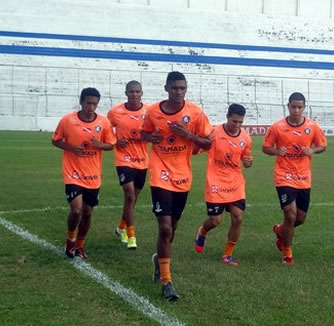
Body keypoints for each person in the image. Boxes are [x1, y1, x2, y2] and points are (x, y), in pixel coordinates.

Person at [140, 71, 212, 301]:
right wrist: (150, 139)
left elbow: (208, 142)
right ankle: (167, 282)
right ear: (166, 88)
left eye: (182, 88)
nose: (178, 92)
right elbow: (144, 133)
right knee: (165, 227)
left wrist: (188, 135)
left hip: (182, 177)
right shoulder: (152, 111)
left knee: (173, 226)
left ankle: (159, 260)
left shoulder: (195, 112)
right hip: (159, 174)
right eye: (174, 88)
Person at [262, 92, 327, 265]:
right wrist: (277, 151)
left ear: (304, 107)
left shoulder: (312, 126)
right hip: (284, 176)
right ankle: (287, 252)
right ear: (288, 106)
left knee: (300, 218)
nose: (296, 110)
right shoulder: (277, 127)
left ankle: (280, 230)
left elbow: (322, 145)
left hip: (304, 177)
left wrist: (312, 150)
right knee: (290, 214)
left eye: (300, 107)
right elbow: (265, 147)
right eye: (293, 107)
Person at [52, 87, 115, 259]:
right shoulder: (68, 120)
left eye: (95, 104)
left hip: (93, 176)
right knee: (76, 210)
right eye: (88, 103)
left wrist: (98, 145)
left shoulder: (103, 122)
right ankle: (70, 240)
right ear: (81, 102)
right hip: (73, 173)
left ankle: (80, 245)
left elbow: (110, 144)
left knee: (87, 212)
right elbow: (55, 140)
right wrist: (72, 148)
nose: (91, 107)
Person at [193, 104, 253, 266]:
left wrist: (248, 161)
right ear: (227, 117)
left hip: (235, 183)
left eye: (240, 122)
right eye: (234, 121)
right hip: (215, 181)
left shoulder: (245, 138)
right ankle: (202, 231)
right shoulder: (214, 133)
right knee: (215, 221)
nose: (237, 125)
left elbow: (246, 159)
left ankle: (228, 254)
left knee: (238, 217)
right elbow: (196, 150)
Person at [107, 80, 148, 249]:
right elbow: (106, 130)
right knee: (130, 195)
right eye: (131, 91)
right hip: (124, 159)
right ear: (126, 93)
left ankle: (120, 227)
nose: (135, 94)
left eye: (138, 91)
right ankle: (131, 236)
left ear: (141, 93)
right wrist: (116, 140)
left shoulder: (148, 111)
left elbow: (153, 130)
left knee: (132, 199)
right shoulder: (115, 112)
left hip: (142, 161)